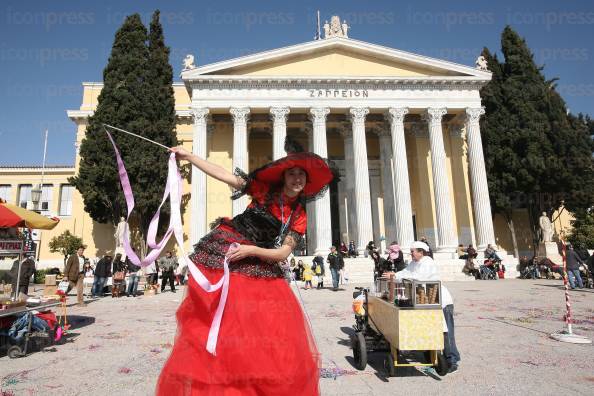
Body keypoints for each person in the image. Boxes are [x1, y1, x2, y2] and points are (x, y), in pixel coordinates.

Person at [157, 138, 334, 394]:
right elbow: (225, 176)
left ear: (307, 183)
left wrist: (252, 251)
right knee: (228, 316)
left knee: (269, 323)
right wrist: (190, 156)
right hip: (229, 247)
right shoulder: (265, 191)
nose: (297, 179)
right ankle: (224, 374)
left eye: (301, 176)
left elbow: (283, 252)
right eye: (292, 174)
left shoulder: (300, 215)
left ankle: (252, 380)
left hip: (257, 256)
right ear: (284, 177)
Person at [395, 241, 460, 373]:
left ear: (421, 252)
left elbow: (418, 278)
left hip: (441, 301)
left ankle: (452, 360)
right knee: (431, 330)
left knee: (445, 333)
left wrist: (399, 276)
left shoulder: (427, 262)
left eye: (413, 251)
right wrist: (394, 275)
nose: (411, 254)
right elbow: (405, 272)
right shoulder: (414, 263)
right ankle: (433, 356)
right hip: (427, 301)